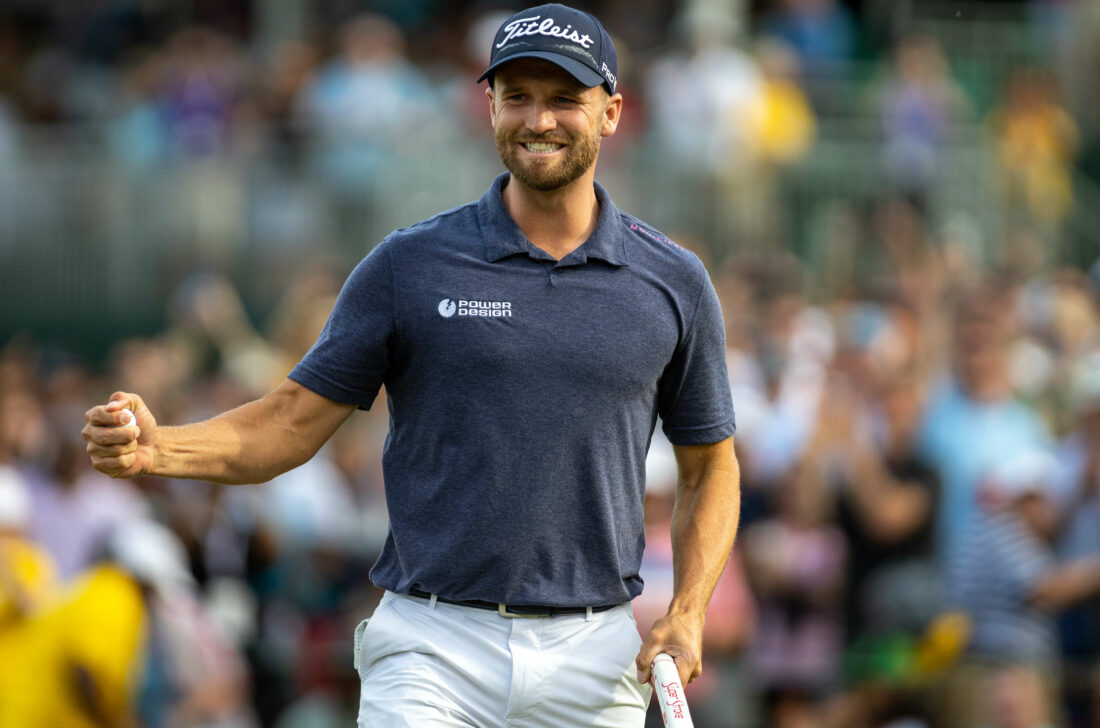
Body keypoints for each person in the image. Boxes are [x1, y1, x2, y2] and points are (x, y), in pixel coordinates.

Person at [83, 4, 742, 726]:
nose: (539, 119)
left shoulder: (673, 281)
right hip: (434, 647)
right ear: (487, 104)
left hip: (596, 651)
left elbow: (710, 468)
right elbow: (289, 423)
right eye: (517, 96)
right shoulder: (409, 265)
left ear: (611, 112)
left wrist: (687, 611)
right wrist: (160, 447)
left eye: (564, 99)